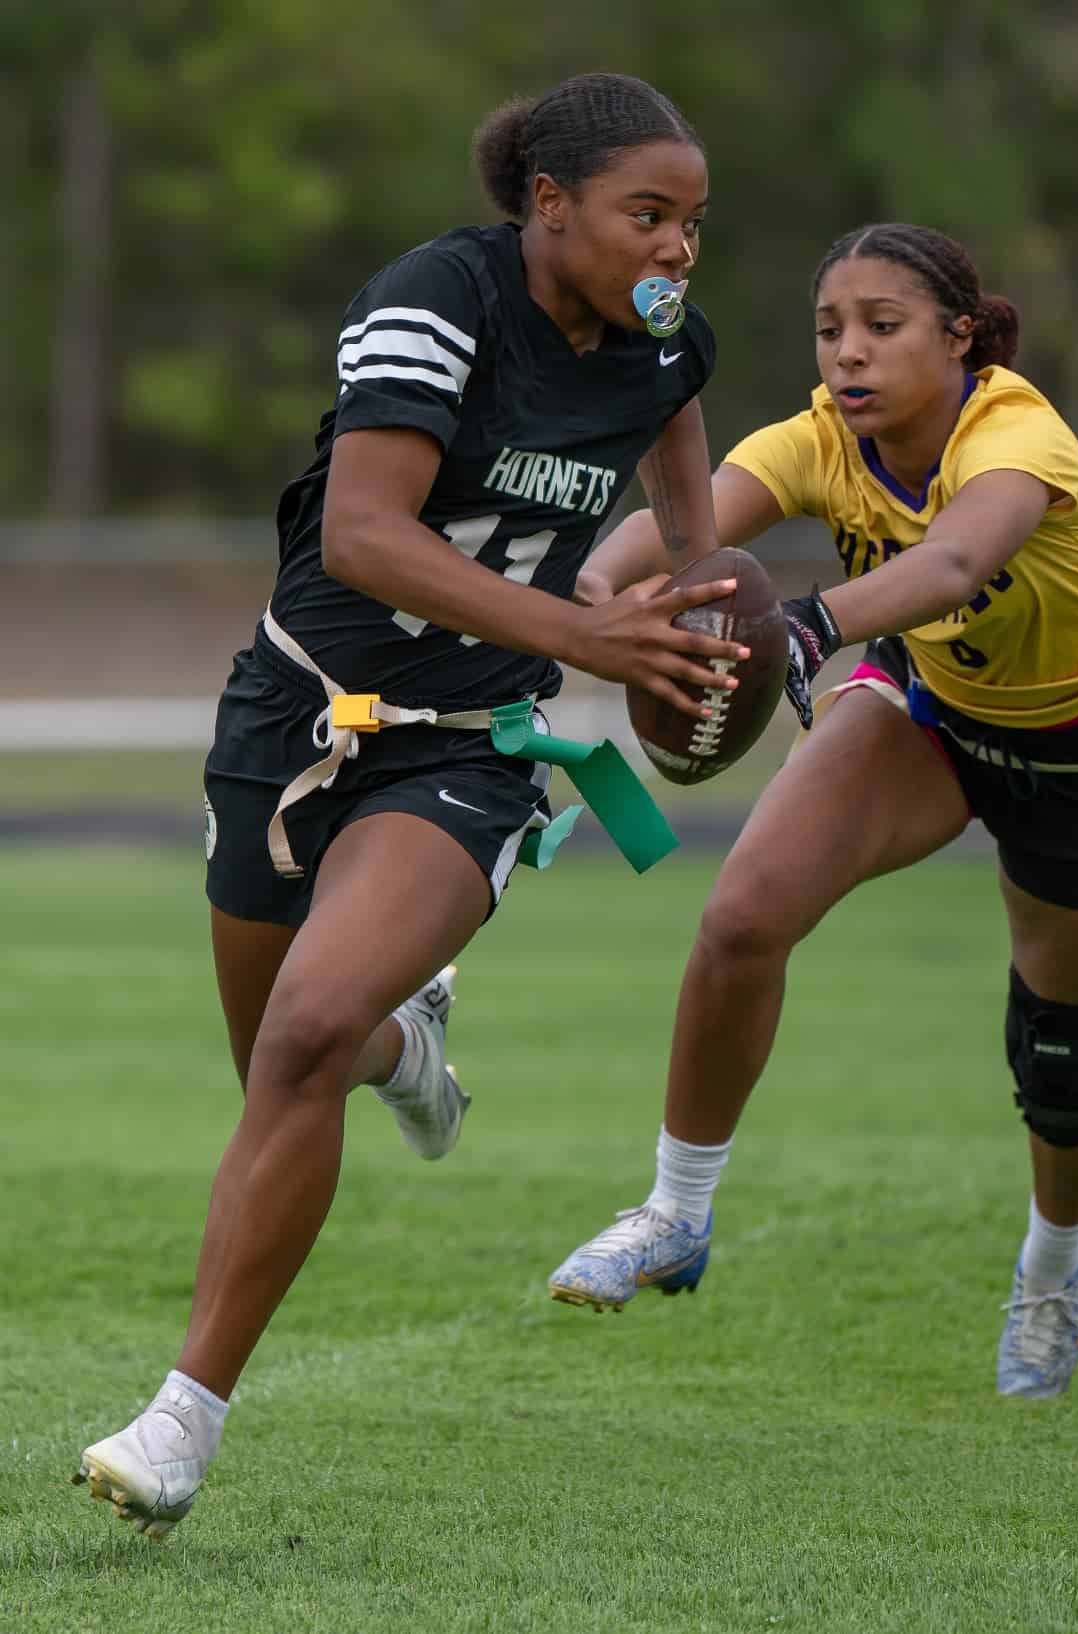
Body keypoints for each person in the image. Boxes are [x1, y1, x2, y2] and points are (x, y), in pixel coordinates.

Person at [72, 71, 753, 1539]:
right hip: (297, 708)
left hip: (467, 742)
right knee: (282, 1051)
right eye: (650, 214)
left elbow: (696, 538)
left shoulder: (665, 353)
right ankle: (406, 1035)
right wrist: (588, 626)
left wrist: (702, 638)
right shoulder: (432, 301)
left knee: (301, 1036)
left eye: (693, 220)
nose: (678, 248)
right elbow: (365, 534)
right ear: (548, 205)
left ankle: (184, 1415)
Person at [549, 221, 1078, 1400]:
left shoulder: (1016, 434)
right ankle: (674, 1212)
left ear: (957, 339)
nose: (847, 354)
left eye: (881, 328)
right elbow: (690, 515)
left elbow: (950, 567)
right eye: (829, 329)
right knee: (743, 914)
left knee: (1064, 1056)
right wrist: (585, 598)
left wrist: (806, 624)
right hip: (933, 701)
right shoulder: (818, 435)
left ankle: (1053, 1262)